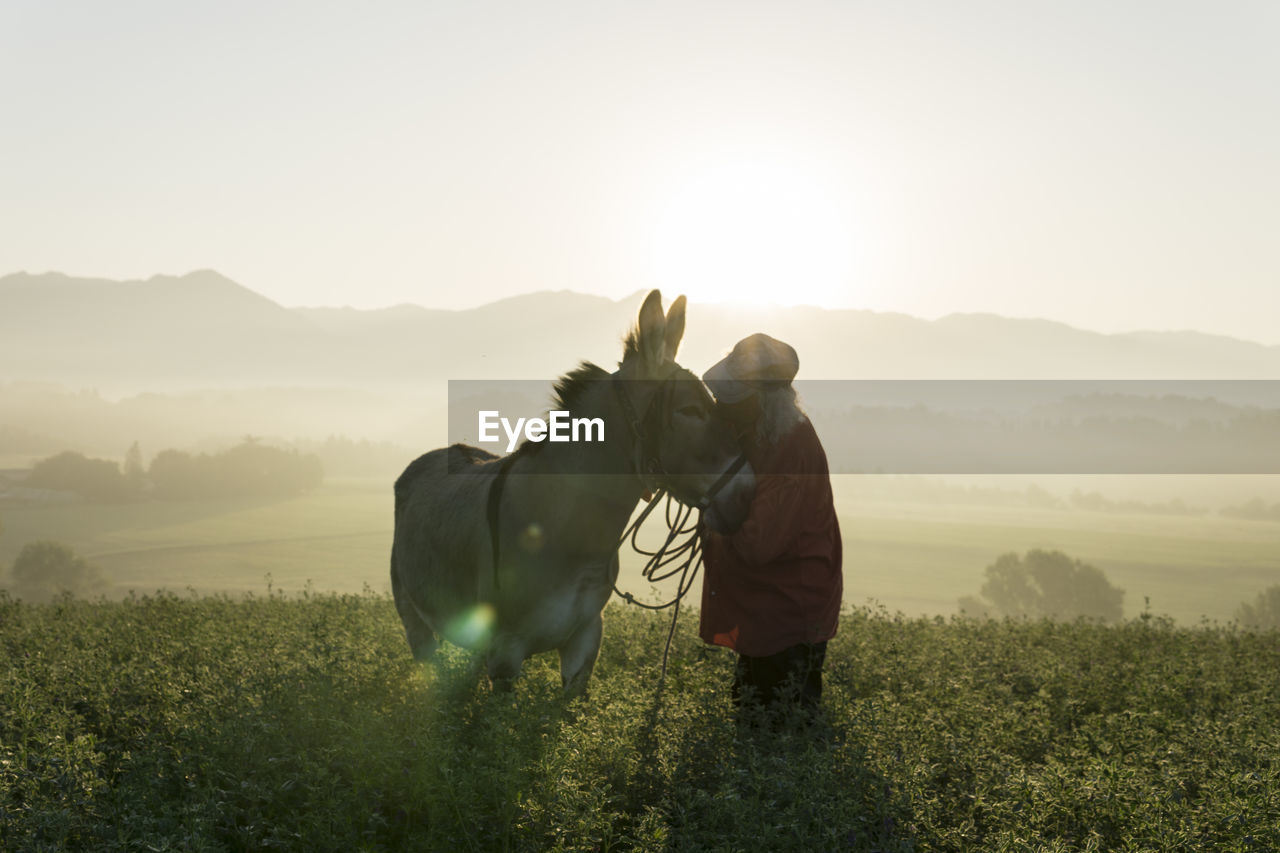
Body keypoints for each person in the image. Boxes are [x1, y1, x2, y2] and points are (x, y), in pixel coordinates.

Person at [698, 333, 843, 727]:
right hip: (766, 610)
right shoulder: (762, 436)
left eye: (733, 401)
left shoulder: (790, 450)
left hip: (787, 612)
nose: (722, 410)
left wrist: (713, 518)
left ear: (761, 399)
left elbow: (759, 544)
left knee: (781, 723)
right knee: (754, 713)